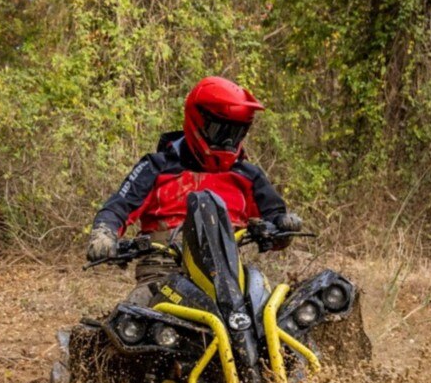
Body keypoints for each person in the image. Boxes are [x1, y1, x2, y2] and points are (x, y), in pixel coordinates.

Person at [85, 76, 302, 298]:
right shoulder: (156, 167)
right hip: (163, 271)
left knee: (274, 307)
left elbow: (275, 217)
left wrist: (283, 225)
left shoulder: (248, 175)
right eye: (220, 131)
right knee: (136, 311)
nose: (227, 142)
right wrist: (104, 233)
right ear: (198, 121)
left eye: (235, 133)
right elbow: (118, 207)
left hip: (228, 275)